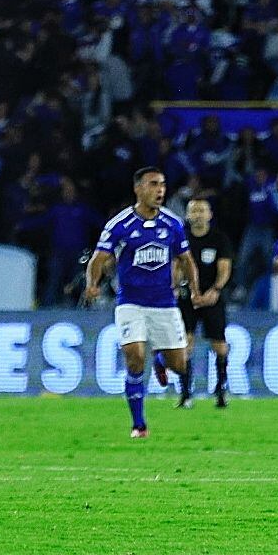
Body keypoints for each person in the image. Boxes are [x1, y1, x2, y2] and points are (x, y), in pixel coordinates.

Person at [85, 167, 202, 438]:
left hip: (164, 303)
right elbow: (99, 258)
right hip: (130, 302)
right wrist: (92, 285)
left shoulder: (172, 224)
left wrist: (195, 290)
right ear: (138, 189)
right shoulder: (120, 224)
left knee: (179, 365)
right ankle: (139, 424)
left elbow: (186, 260)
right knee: (134, 357)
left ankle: (160, 358)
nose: (160, 190)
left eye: (162, 184)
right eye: (153, 184)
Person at [178, 197, 233, 408]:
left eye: (202, 210)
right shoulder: (181, 238)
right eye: (194, 210)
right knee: (185, 344)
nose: (198, 214)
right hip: (187, 297)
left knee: (219, 345)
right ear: (188, 215)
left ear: (210, 214)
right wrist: (177, 287)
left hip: (212, 297)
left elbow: (225, 268)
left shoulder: (219, 239)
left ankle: (220, 391)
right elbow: (176, 265)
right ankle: (185, 394)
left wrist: (216, 290)